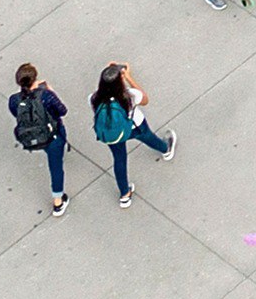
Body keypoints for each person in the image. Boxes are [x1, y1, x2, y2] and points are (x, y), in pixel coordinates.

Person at [90, 62, 176, 208]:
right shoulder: (129, 96)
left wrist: (110, 73)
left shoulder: (94, 98)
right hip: (134, 126)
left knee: (119, 159)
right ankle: (165, 149)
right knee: (148, 136)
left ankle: (124, 194)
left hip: (113, 133)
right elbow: (145, 99)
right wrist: (128, 77)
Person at [9, 63, 70, 217]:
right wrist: (50, 91)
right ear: (35, 78)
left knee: (53, 161)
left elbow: (16, 114)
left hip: (33, 136)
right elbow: (62, 111)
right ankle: (58, 201)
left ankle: (59, 200)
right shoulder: (46, 96)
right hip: (53, 136)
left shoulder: (14, 100)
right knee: (56, 167)